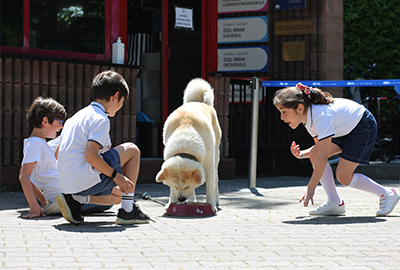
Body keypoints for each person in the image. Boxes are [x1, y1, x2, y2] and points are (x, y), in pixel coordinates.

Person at [273, 82, 400, 216]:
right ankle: (335, 203)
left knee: (343, 176)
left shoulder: (320, 116)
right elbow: (320, 151)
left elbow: (323, 156)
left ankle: (388, 194)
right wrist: (302, 154)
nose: (281, 117)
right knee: (315, 154)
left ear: (299, 108)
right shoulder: (308, 120)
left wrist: (311, 187)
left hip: (362, 126)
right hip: (344, 129)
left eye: (284, 112)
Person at [56, 70, 150, 225]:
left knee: (119, 195)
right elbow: (90, 156)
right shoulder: (100, 119)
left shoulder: (75, 118)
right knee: (132, 150)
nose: (120, 106)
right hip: (84, 179)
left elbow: (57, 153)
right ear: (115, 96)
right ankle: (127, 211)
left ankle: (76, 200)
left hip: (67, 184)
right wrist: (116, 176)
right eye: (122, 101)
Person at [19, 97, 115, 219]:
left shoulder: (40, 143)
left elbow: (29, 179)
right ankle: (76, 200)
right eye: (59, 123)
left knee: (115, 195)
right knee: (114, 199)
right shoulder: (35, 143)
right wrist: (33, 205)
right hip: (65, 195)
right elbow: (24, 176)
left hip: (62, 194)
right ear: (45, 121)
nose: (61, 127)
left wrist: (43, 201)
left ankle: (78, 199)